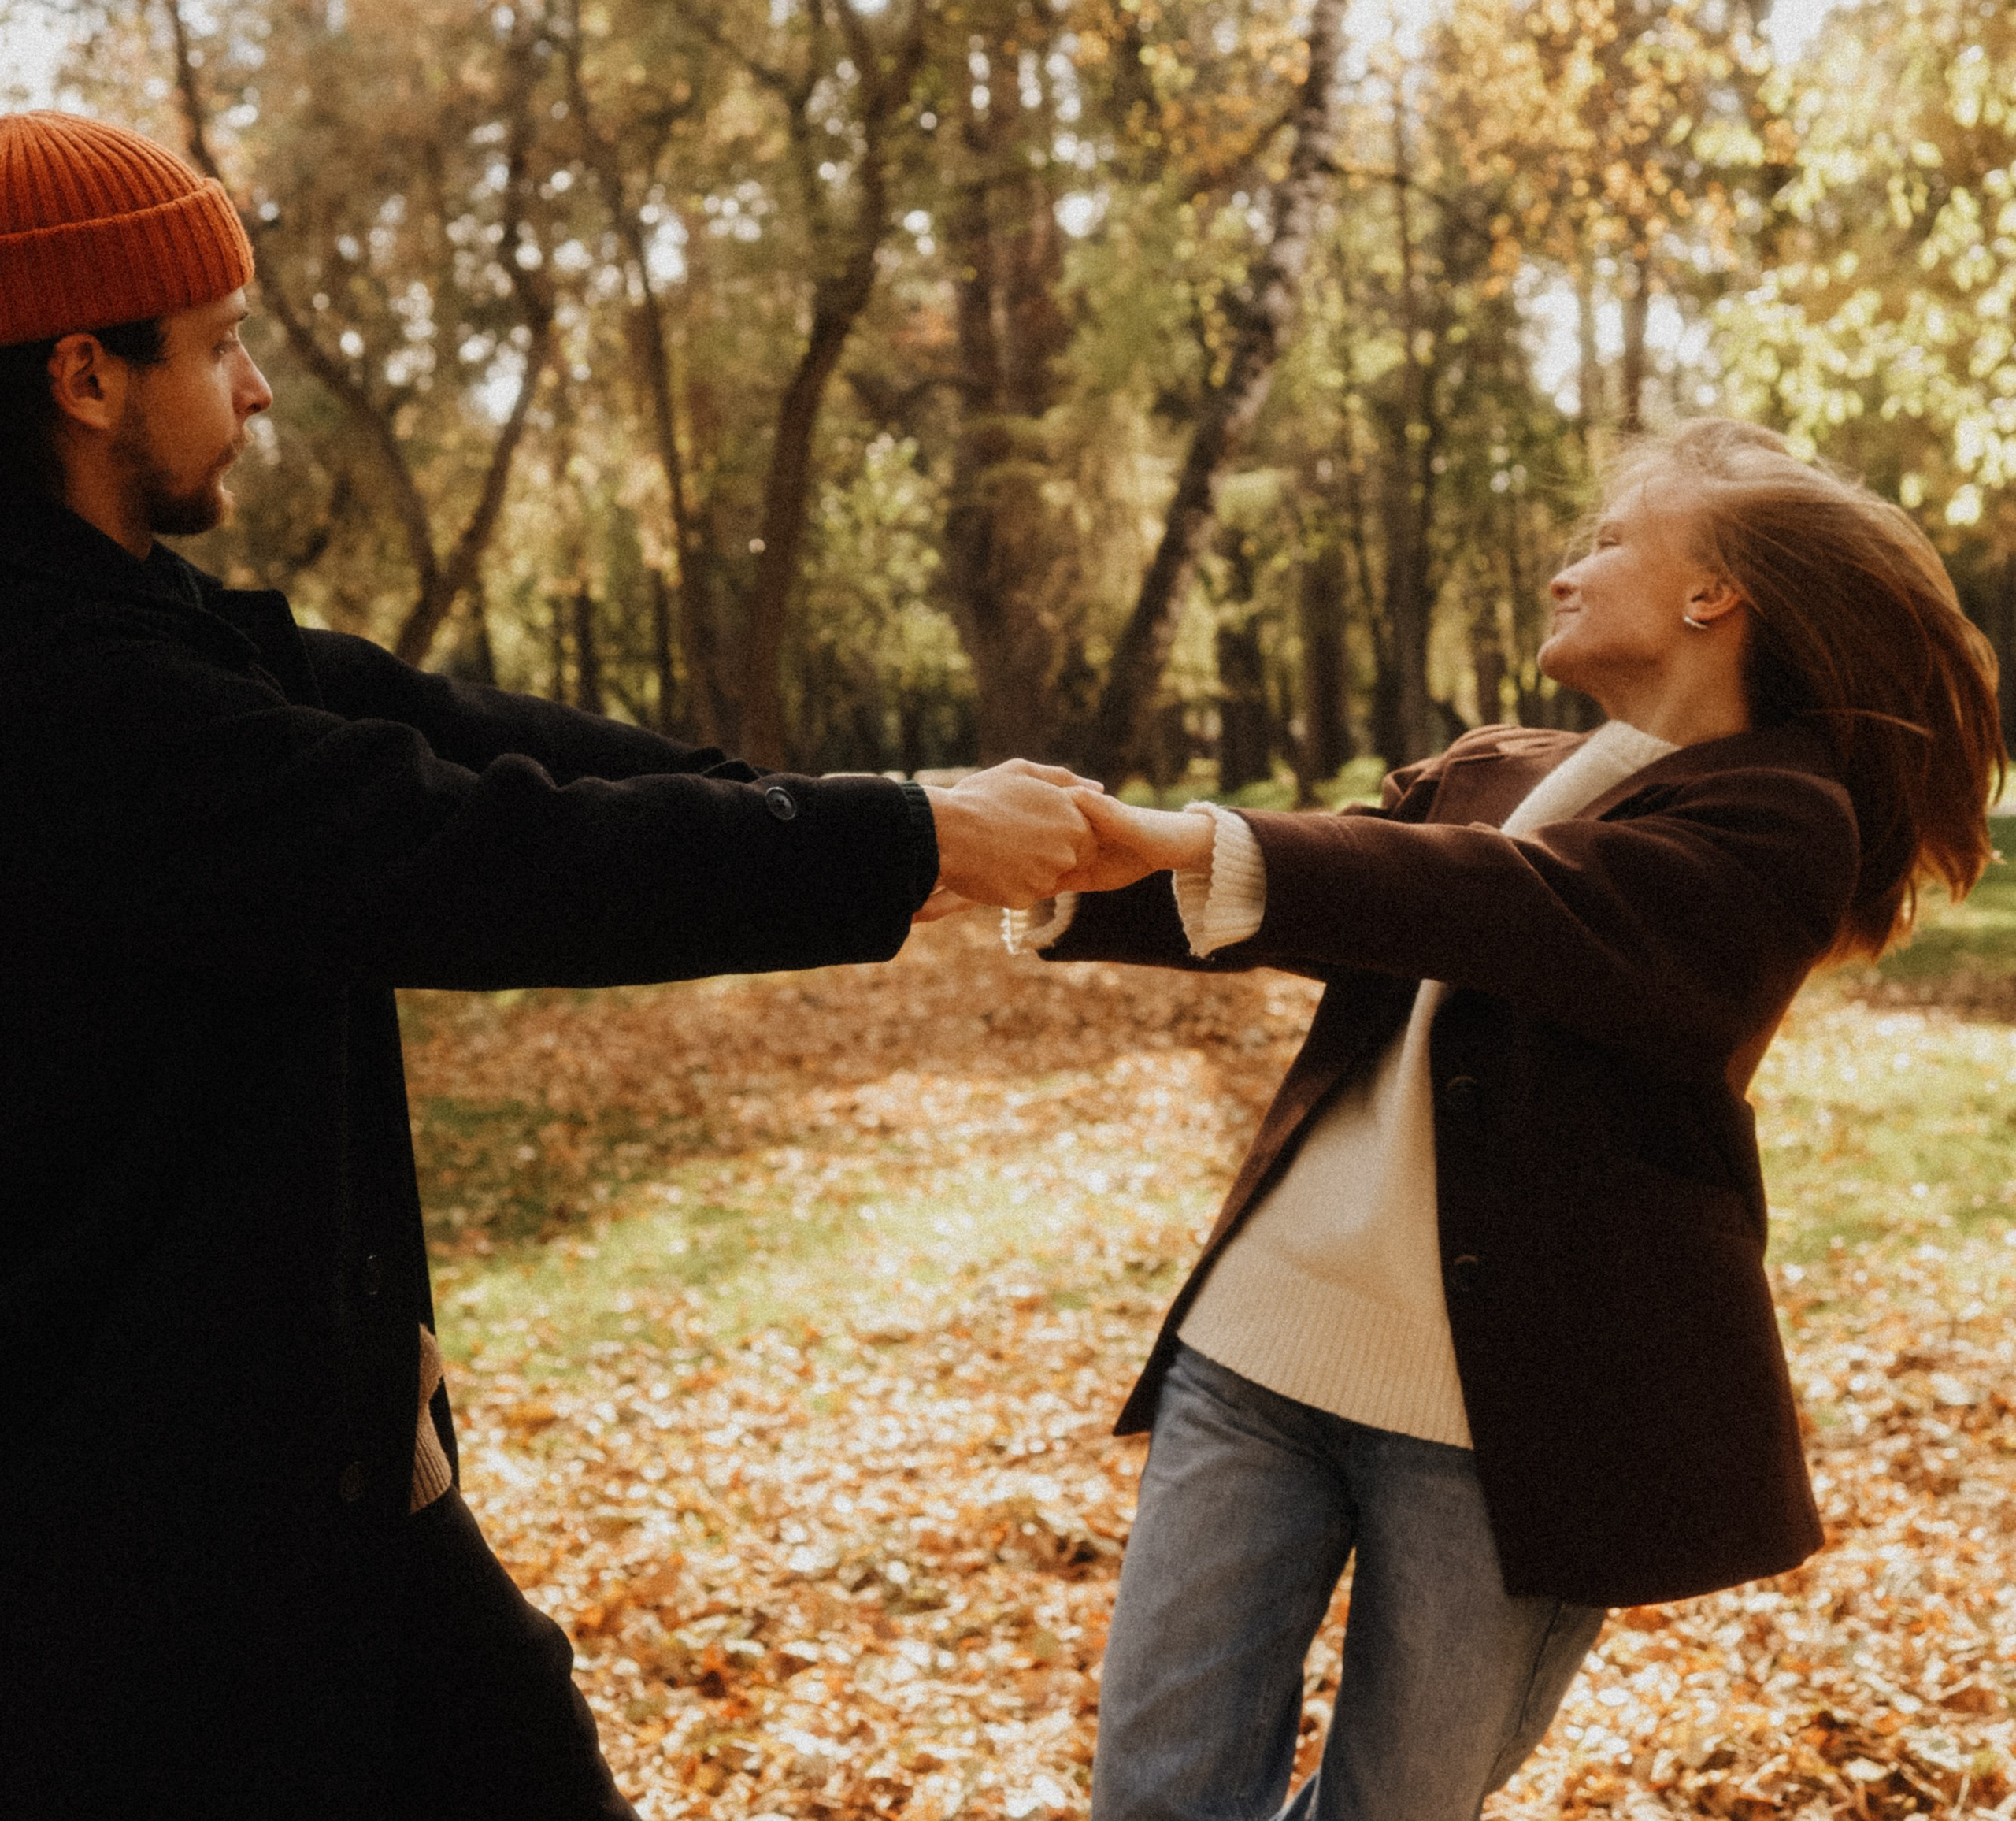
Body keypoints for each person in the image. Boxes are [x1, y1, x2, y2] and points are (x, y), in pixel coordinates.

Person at [0, 110, 1096, 1818]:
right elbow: (472, 853)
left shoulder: (151, 626)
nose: (259, 389)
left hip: (312, 1480)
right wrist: (906, 846)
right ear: (85, 373)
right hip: (124, 1545)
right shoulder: (68, 697)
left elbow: (457, 731)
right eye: (220, 346)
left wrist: (869, 811)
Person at [1014, 420, 2003, 1821]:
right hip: (1258, 1355)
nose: (1565, 570)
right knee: (1156, 1800)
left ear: (1713, 596)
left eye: (1607, 540)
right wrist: (1055, 870)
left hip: (1509, 1431)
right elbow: (1347, 894)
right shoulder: (1489, 767)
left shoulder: (1781, 821)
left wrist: (1201, 836)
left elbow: (1515, 906)